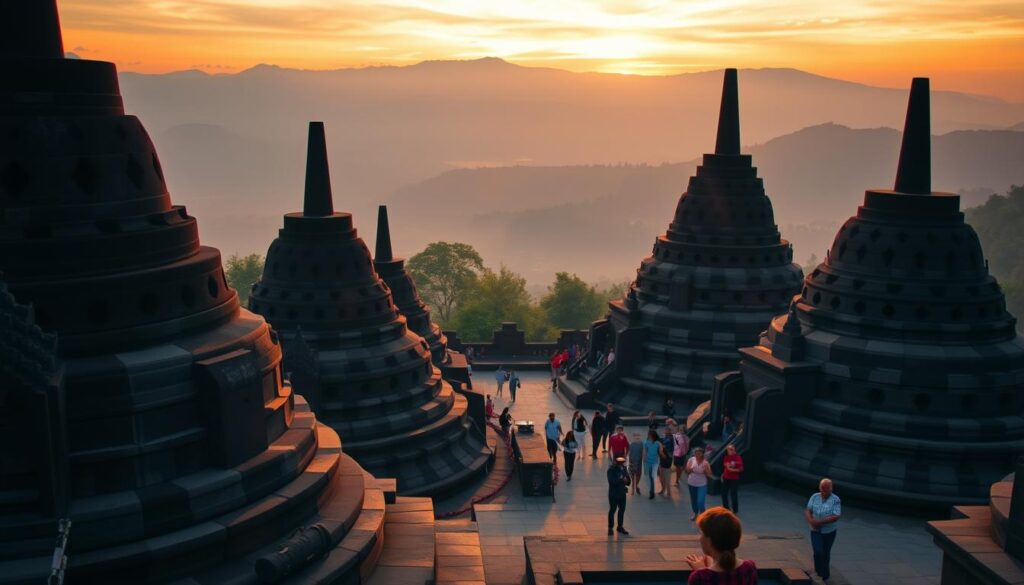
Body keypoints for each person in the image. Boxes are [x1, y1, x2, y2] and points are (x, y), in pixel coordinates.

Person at [686, 508, 757, 585]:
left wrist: (702, 571)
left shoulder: (698, 578)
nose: (699, 538)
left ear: (710, 540)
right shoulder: (749, 567)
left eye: (701, 533)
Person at [806, 478, 841, 582]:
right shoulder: (814, 497)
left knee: (825, 552)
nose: (824, 491)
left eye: (827, 488)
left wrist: (819, 522)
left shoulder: (836, 499)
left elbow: (836, 516)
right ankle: (818, 571)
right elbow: (808, 510)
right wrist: (811, 521)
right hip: (815, 530)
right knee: (818, 551)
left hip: (829, 532)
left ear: (831, 488)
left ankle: (825, 574)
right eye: (823, 488)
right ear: (820, 488)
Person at [686, 448, 712, 520]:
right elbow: (687, 471)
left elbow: (709, 474)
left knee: (700, 501)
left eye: (699, 453)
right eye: (696, 453)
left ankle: (703, 514)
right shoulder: (691, 460)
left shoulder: (705, 463)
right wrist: (691, 469)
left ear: (702, 454)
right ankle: (695, 513)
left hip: (702, 484)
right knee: (693, 499)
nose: (697, 455)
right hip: (691, 483)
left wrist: (705, 471)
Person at [607, 456, 631, 536]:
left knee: (622, 510)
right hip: (613, 494)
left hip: (622, 493)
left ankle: (620, 526)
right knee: (612, 510)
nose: (622, 464)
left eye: (622, 461)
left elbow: (628, 481)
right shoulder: (611, 470)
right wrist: (621, 478)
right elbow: (612, 481)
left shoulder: (624, 469)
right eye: (620, 462)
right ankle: (610, 528)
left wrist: (626, 480)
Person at [721, 444, 744, 513]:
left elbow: (741, 467)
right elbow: (728, 467)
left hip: (734, 479)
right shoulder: (726, 457)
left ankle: (735, 510)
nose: (730, 450)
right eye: (728, 449)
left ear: (734, 450)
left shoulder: (738, 457)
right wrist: (736, 469)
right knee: (724, 493)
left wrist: (733, 466)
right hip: (726, 477)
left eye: (731, 449)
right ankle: (726, 508)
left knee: (733, 494)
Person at [641, 430, 662, 500]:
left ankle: (652, 492)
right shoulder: (646, 442)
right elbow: (645, 451)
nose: (649, 436)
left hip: (655, 462)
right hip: (648, 462)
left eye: (650, 435)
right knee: (650, 477)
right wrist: (644, 459)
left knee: (651, 477)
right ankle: (652, 491)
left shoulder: (657, 443)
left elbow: (660, 452)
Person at [659, 427, 674, 497]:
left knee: (667, 475)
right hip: (662, 458)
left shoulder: (671, 438)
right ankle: (663, 489)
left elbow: (664, 445)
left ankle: (668, 490)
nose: (666, 431)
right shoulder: (664, 438)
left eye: (668, 430)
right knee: (661, 475)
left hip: (667, 458)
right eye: (666, 430)